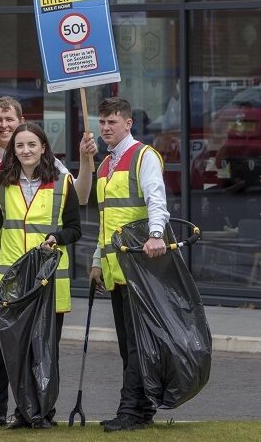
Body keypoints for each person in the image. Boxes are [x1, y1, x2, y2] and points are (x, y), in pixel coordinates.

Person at [0, 96, 85, 427]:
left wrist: (57, 238)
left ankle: (44, 412)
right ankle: (21, 412)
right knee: (16, 350)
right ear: (13, 150)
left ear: (43, 147)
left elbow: (75, 228)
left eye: (32, 144)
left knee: (45, 350)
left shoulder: (62, 183)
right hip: (13, 280)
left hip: (47, 278)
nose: (26, 150)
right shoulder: (3, 183)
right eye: (20, 146)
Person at [85, 97, 170, 433]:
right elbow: (106, 222)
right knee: (128, 345)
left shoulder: (143, 157)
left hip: (138, 268)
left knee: (136, 345)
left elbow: (156, 199)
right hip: (115, 271)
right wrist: (95, 262)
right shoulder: (105, 165)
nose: (106, 128)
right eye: (102, 122)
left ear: (128, 123)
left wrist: (156, 234)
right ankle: (143, 407)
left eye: (112, 122)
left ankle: (130, 412)